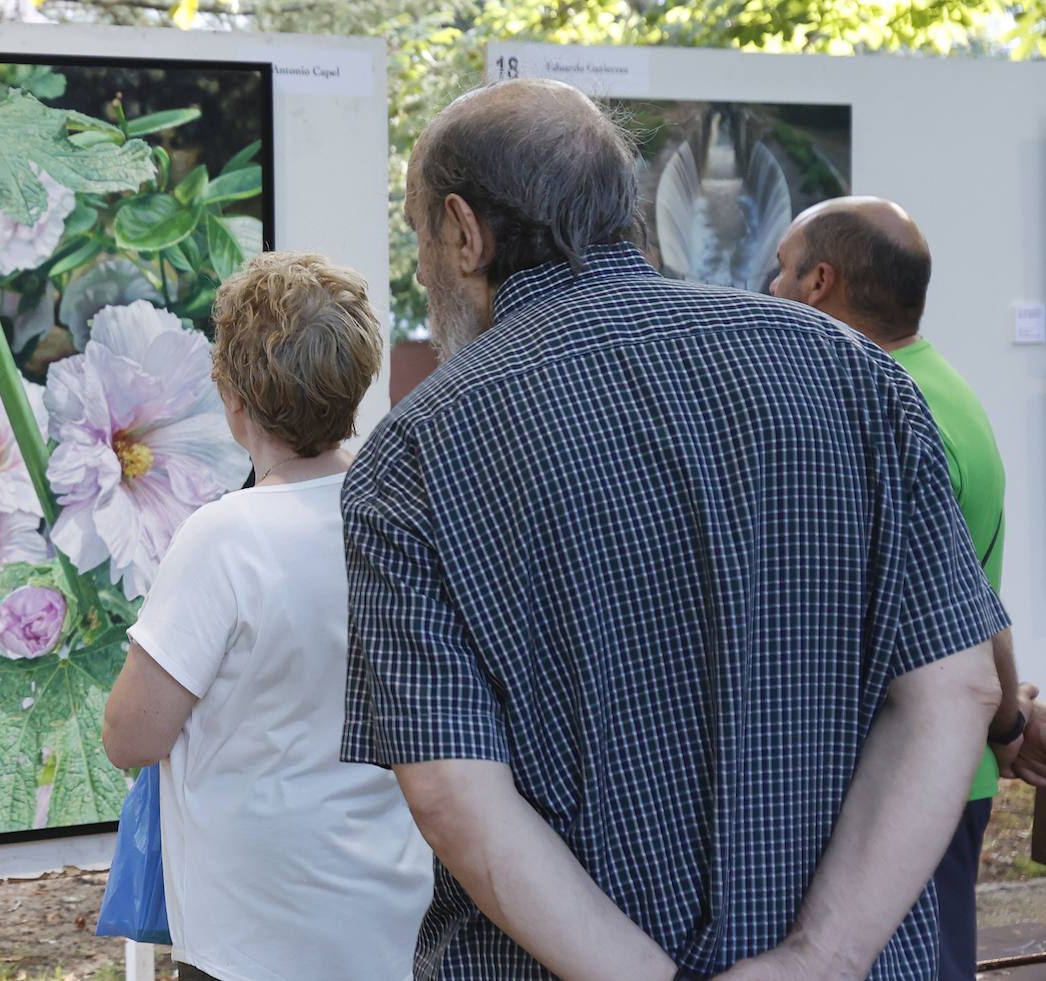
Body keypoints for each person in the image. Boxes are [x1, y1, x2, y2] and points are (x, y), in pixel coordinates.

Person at [340, 78, 1007, 981]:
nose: (423, 268)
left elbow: (455, 796)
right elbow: (952, 693)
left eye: (421, 235)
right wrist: (821, 957)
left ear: (464, 230)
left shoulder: (410, 460)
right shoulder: (856, 377)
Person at [102, 251, 432, 981]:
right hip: (395, 922)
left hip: (253, 939)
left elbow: (131, 735)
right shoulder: (407, 521)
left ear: (234, 397)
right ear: (359, 379)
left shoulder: (224, 538)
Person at [769, 195, 1033, 980]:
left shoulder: (886, 412)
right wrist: (1009, 720)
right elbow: (976, 595)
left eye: (780, 271)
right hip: (949, 767)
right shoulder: (940, 387)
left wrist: (1010, 717)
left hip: (916, 774)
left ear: (820, 282)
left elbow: (961, 612)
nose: (770, 289)